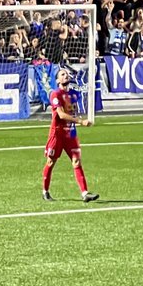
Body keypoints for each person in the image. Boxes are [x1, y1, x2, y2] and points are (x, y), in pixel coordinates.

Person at [41, 69, 98, 203]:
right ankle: (45, 191)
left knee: (77, 162)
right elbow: (60, 114)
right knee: (51, 162)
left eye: (67, 74)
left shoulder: (74, 94)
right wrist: (80, 121)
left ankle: (85, 193)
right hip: (57, 134)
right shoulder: (55, 94)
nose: (66, 75)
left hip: (71, 133)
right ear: (57, 80)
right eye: (62, 74)